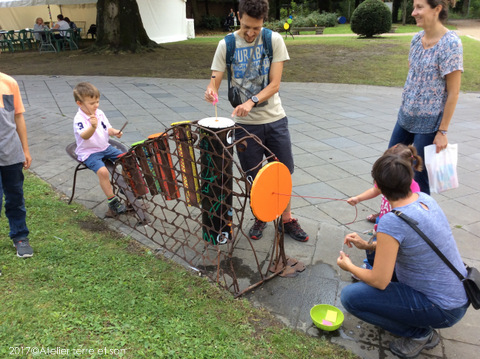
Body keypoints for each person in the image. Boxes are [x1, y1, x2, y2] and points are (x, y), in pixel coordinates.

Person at [337, 153, 468, 359]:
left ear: (378, 185)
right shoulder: (424, 199)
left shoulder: (392, 220)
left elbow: (380, 281)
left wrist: (349, 266)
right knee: (374, 262)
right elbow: (404, 245)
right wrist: (366, 245)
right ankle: (416, 319)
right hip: (458, 294)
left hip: (443, 308)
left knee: (351, 298)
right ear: (409, 178)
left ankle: (420, 334)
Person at [204, 0, 309, 242]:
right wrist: (210, 90)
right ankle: (261, 215)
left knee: (282, 172)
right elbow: (215, 80)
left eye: (256, 28)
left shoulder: (273, 40)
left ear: (264, 22)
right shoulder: (226, 44)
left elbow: (275, 84)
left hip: (274, 119)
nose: (251, 33)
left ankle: (286, 219)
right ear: (238, 16)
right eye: (246, 26)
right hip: (243, 125)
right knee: (254, 175)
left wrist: (251, 101)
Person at [388, 0, 462, 195]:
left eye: (419, 7)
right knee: (390, 166)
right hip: (405, 117)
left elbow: (453, 92)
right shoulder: (416, 39)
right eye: (414, 7)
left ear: (437, 9)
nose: (414, 12)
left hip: (429, 125)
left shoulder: (450, 44)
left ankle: (419, 220)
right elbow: (413, 77)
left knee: (419, 178)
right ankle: (390, 212)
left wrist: (442, 132)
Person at [346, 144, 422, 269]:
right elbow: (375, 190)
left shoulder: (413, 189)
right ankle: (370, 263)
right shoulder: (387, 180)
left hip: (395, 226)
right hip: (382, 220)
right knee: (375, 246)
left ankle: (379, 267)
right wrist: (358, 198)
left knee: (386, 250)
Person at [73, 82, 127, 215]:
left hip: (105, 147)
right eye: (91, 103)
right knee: (103, 172)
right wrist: (92, 127)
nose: (96, 105)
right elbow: (85, 136)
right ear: (80, 103)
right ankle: (112, 200)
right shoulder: (79, 119)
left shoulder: (100, 113)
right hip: (89, 152)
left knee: (128, 159)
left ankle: (124, 185)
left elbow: (106, 128)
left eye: (97, 101)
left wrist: (115, 132)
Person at [0, 72, 33, 258]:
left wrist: (25, 150)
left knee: (15, 196)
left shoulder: (9, 83)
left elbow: (18, 117)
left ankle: (20, 236)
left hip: (11, 152)